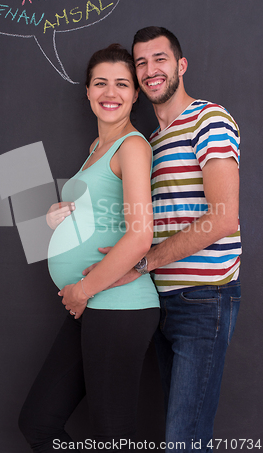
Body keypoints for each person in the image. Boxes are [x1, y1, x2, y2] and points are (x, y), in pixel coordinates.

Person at [65, 27, 241, 452]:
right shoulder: (153, 142)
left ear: (180, 65)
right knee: (174, 432)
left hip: (204, 297)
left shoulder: (209, 120)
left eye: (159, 59)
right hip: (161, 298)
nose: (150, 70)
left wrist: (140, 264)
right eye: (141, 62)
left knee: (184, 439)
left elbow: (223, 217)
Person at [18, 44, 160, 452]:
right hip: (94, 306)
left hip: (119, 305)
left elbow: (139, 235)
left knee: (114, 438)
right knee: (38, 422)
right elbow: (104, 216)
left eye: (122, 84)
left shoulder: (132, 146)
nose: (110, 92)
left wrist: (82, 289)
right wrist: (58, 218)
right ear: (87, 91)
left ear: (135, 94)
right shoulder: (96, 150)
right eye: (101, 83)